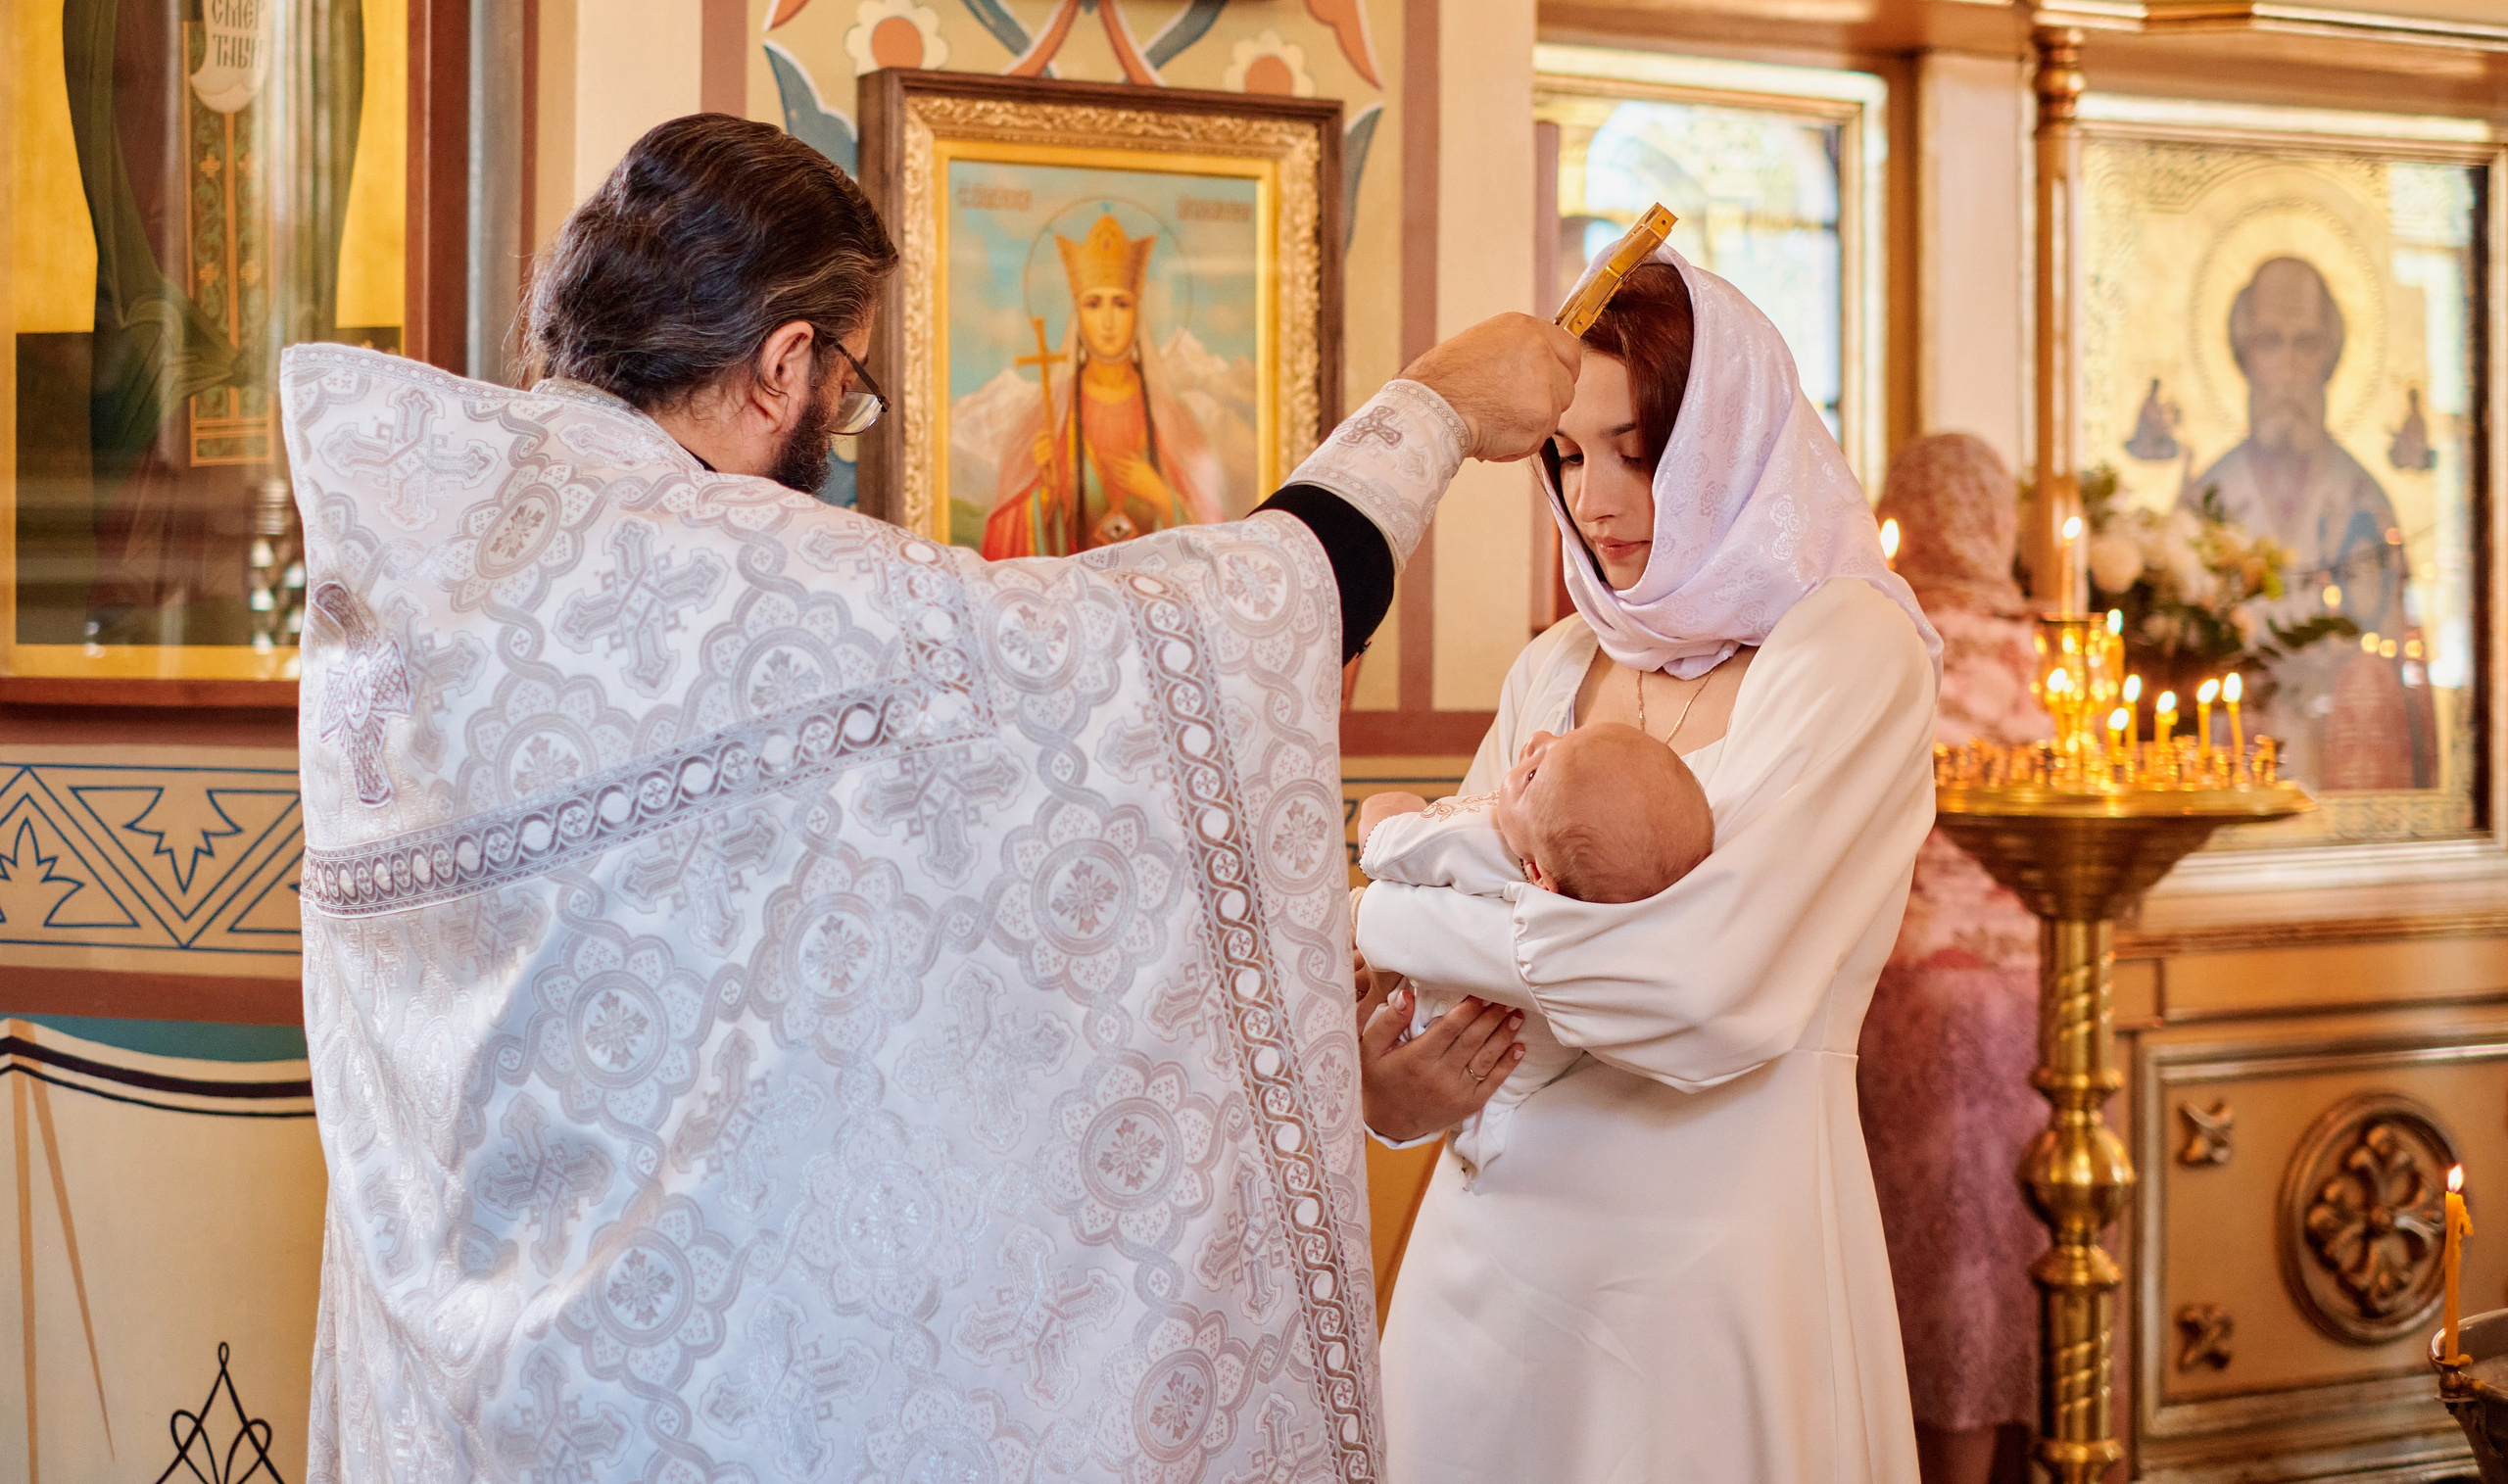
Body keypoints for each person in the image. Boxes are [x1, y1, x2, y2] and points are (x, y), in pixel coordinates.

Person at [282, 113, 1579, 1483]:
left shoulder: (433, 552)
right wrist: (1431, 412)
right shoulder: (738, 575)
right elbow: (1194, 640)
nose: (839, 433)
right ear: (785, 363)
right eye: (848, 385)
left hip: (468, 1401)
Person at [1355, 252, 1941, 1483]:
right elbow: (1446, 991)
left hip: (1709, 1274)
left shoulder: (1850, 648)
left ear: (1731, 442)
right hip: (1486, 1271)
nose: (1598, 503)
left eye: (1640, 453)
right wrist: (1395, 1094)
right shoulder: (1554, 667)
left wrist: (1376, 916)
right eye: (1569, 457)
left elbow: (1705, 991)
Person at [65, 0, 364, 647]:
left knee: (267, 337)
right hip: (168, 152)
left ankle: (279, 583)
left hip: (268, 157)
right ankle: (144, 584)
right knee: (165, 345)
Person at [1857, 432, 2052, 1484]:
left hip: (1907, 992)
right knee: (2029, 1242)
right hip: (2041, 997)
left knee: (1930, 1252)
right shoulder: (2046, 657)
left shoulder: (1883, 645)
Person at [1350, 726, 1713, 1179]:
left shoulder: (1486, 839)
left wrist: (1386, 816)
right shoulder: (1611, 897)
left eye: (1533, 774)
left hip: (1419, 1033)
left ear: (1539, 875)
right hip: (1518, 1103)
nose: (1538, 738)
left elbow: (1388, 850)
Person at [2189, 256, 2419, 787]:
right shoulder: (2208, 498)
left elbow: (2387, 649)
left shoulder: (2364, 498)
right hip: (2231, 758)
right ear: (2244, 355)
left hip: (2341, 754)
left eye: (2306, 343)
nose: (2290, 368)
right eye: (2270, 342)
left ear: (2329, 356)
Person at [981, 212, 1223, 556]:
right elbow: (1007, 541)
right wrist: (1045, 498)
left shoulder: (1174, 420)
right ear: (1078, 315)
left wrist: (1160, 496)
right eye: (1093, 304)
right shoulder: (1045, 418)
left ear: (1137, 313)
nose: (1107, 321)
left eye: (1120, 304)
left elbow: (1214, 536)